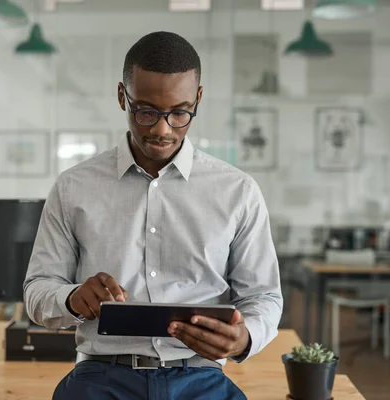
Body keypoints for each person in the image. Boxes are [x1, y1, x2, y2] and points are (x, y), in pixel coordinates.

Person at [23, 31, 283, 400]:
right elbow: (37, 291)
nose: (161, 129)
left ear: (198, 99)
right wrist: (72, 298)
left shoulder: (238, 191)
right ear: (121, 97)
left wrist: (246, 337)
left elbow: (264, 296)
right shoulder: (73, 187)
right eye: (145, 111)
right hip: (100, 377)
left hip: (201, 377)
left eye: (179, 112)